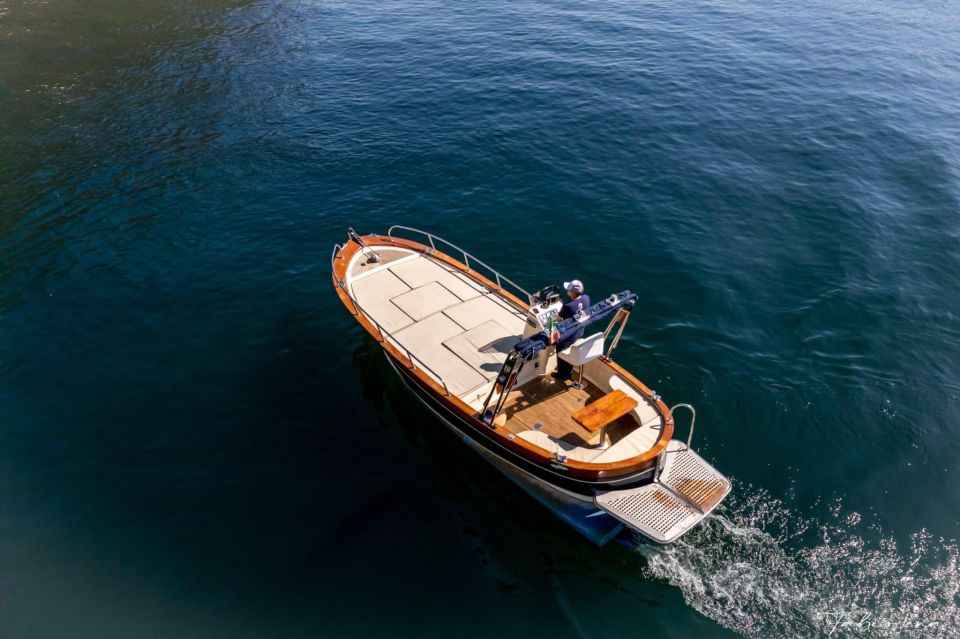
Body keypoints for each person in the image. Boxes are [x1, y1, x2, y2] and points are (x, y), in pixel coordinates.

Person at [551, 279, 590, 381]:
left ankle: (562, 375)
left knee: (559, 347)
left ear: (572, 292)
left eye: (568, 290)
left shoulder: (568, 305)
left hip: (569, 336)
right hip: (579, 332)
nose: (567, 291)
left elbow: (558, 319)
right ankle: (569, 371)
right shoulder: (586, 298)